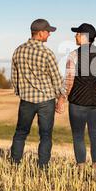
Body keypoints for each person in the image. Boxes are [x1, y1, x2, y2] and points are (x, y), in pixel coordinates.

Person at [10, 18, 64, 168]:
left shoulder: (18, 50)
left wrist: (20, 92)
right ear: (40, 33)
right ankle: (43, 167)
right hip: (46, 100)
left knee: (20, 133)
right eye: (48, 32)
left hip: (26, 100)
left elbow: (14, 76)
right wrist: (61, 98)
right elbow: (57, 79)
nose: (49, 35)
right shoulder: (47, 53)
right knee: (45, 135)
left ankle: (14, 164)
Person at [57, 23, 96, 170]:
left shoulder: (74, 55)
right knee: (95, 135)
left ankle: (80, 168)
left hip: (78, 102)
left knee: (78, 135)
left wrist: (61, 99)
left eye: (77, 33)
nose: (75, 36)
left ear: (84, 36)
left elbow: (69, 81)